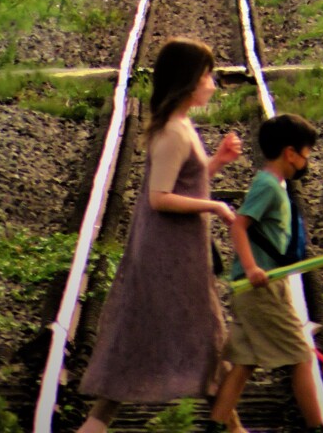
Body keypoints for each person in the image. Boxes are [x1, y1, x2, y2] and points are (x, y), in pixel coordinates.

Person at [76, 37, 243, 433]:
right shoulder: (172, 131)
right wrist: (216, 206)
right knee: (204, 339)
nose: (213, 83)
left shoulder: (182, 124)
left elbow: (185, 184)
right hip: (167, 257)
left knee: (183, 340)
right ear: (188, 80)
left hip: (178, 253)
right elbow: (160, 198)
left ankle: (232, 427)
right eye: (207, 75)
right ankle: (233, 428)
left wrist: (215, 162)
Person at [205, 113, 323, 433]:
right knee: (301, 356)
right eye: (305, 154)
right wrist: (252, 267)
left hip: (256, 289)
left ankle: (216, 426)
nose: (305, 161)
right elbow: (240, 227)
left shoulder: (276, 185)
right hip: (261, 288)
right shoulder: (268, 186)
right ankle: (316, 428)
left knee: (244, 363)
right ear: (290, 153)